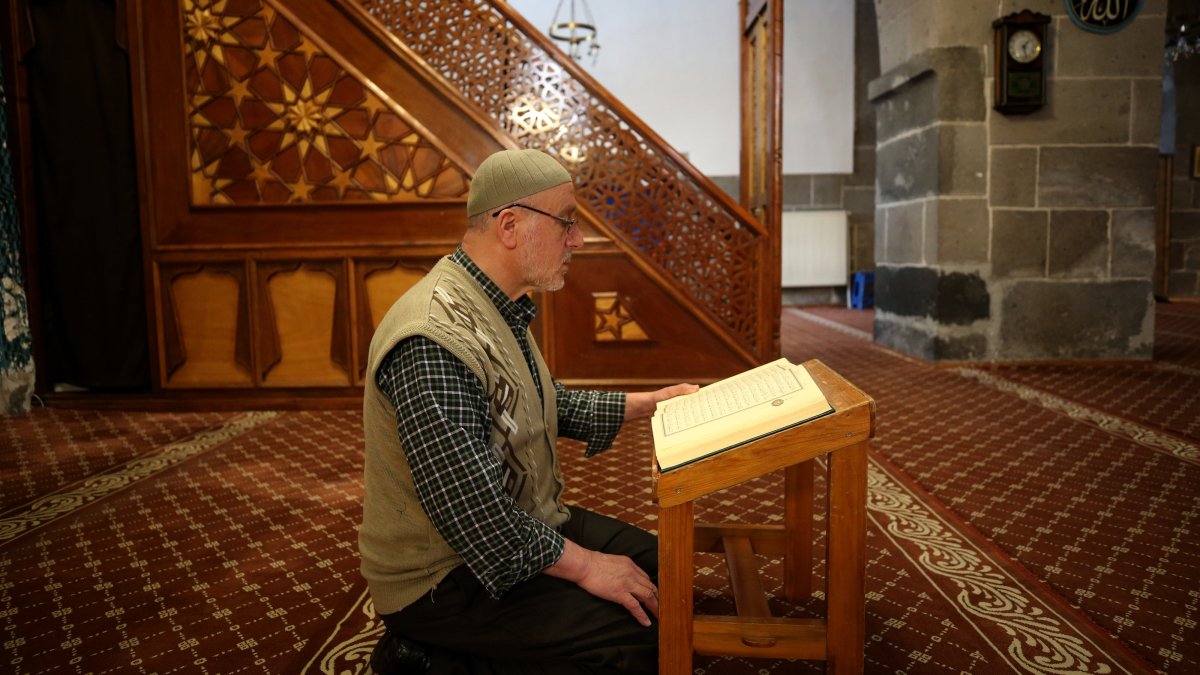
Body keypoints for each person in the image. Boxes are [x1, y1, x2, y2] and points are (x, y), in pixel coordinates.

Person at [359, 148, 697, 674]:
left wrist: (648, 405)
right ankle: (426, 655)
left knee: (666, 574)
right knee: (644, 638)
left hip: (519, 524)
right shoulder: (432, 340)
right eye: (567, 221)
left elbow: (539, 400)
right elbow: (476, 521)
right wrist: (586, 567)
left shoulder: (494, 302)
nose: (578, 240)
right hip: (446, 578)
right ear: (511, 225)